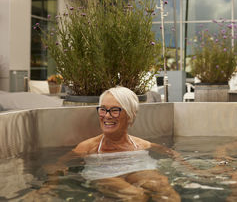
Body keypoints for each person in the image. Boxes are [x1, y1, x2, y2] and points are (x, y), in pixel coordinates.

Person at [26, 86, 180, 201]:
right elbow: (56, 165)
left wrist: (196, 171)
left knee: (165, 190)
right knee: (135, 196)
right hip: (104, 173)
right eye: (103, 110)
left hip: (136, 167)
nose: (107, 116)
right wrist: (50, 186)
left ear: (130, 115)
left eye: (115, 110)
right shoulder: (88, 147)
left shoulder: (141, 145)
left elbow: (170, 153)